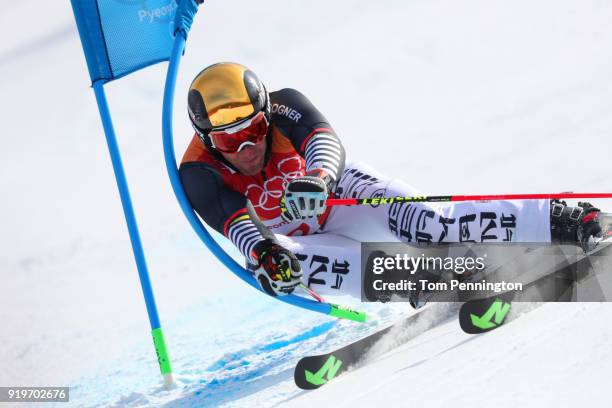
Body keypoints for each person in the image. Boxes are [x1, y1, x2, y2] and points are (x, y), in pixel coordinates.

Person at [179, 62, 604, 303]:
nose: (248, 145)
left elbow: (323, 139)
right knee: (280, 263)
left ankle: (565, 219)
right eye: (229, 139)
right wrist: (266, 253)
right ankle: (434, 278)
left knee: (427, 220)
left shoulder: (284, 104)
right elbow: (237, 226)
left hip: (339, 196)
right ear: (205, 139)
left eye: (254, 127)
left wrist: (319, 179)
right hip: (297, 239)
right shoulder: (198, 171)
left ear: (265, 111)